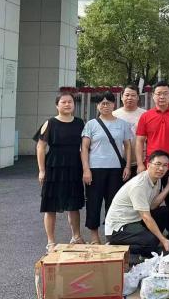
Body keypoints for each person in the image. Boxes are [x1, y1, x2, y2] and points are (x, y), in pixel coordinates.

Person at [35, 92, 86, 252]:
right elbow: (40, 147)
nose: (67, 104)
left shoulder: (80, 123)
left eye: (70, 102)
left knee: (74, 204)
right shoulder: (50, 123)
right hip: (54, 166)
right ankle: (51, 242)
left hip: (74, 166)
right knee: (50, 205)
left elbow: (85, 147)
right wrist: (41, 170)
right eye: (63, 102)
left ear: (74, 104)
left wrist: (86, 168)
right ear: (57, 105)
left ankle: (76, 236)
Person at [135, 81, 169, 235]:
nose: (161, 97)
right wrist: (140, 164)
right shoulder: (146, 116)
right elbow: (139, 141)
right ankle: (150, 235)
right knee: (149, 202)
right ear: (153, 96)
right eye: (158, 93)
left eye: (165, 93)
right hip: (152, 167)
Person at [81, 92, 133, 244]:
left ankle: (111, 236)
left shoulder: (123, 124)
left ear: (113, 105)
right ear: (97, 106)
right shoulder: (91, 124)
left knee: (114, 203)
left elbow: (128, 146)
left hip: (116, 170)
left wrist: (127, 166)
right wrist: (86, 169)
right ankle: (94, 236)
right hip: (95, 169)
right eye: (102, 103)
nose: (105, 106)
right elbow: (84, 148)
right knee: (94, 203)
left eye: (108, 103)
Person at [106, 150, 169, 256]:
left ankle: (150, 241)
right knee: (151, 242)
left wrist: (168, 187)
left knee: (163, 211)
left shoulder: (157, 179)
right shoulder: (139, 185)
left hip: (136, 220)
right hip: (119, 228)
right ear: (148, 165)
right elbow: (146, 217)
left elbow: (152, 206)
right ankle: (114, 245)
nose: (161, 168)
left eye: (165, 165)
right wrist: (163, 239)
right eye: (158, 164)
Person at [113, 85, 147, 176]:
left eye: (133, 95)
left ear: (138, 97)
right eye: (127, 95)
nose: (129, 98)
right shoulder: (114, 115)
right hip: (118, 162)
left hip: (141, 162)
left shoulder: (145, 114)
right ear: (121, 97)